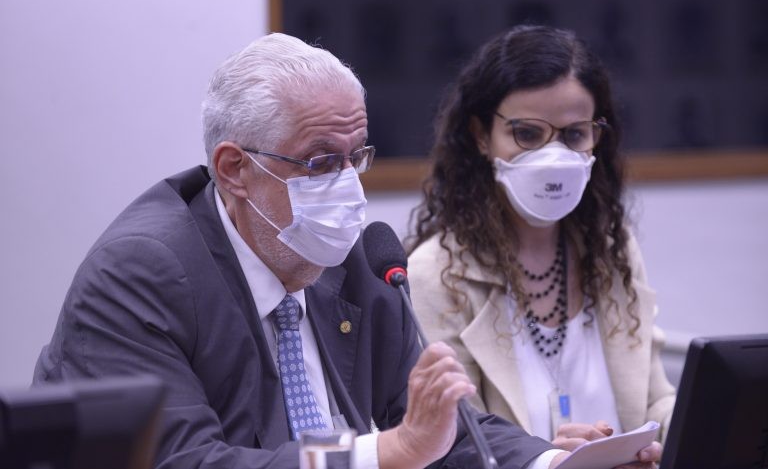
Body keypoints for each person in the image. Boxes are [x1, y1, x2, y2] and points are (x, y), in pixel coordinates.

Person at [32, 33, 585, 469]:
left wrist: (554, 462)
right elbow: (185, 461)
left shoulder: (355, 260)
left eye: (355, 157)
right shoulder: (141, 274)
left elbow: (442, 432)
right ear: (235, 169)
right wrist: (386, 453)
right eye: (321, 162)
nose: (348, 188)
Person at [407, 25, 676, 459]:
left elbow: (655, 402)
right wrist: (545, 460)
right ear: (481, 135)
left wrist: (709, 424)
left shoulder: (612, 249)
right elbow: (454, 448)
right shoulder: (435, 276)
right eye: (528, 134)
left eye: (574, 134)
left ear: (596, 137)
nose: (553, 156)